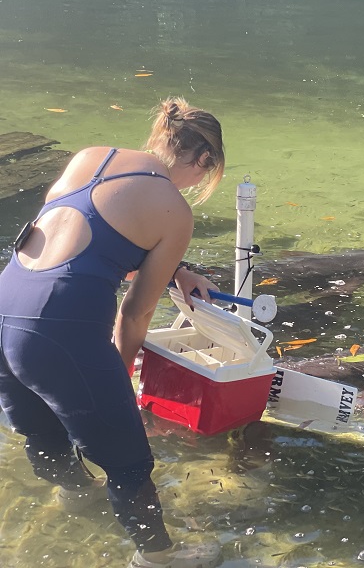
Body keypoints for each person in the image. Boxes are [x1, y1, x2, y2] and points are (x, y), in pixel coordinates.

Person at [0, 98, 226, 568]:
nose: (198, 185)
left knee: (41, 429)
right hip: (55, 327)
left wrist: (177, 268)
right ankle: (160, 558)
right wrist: (120, 382)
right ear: (203, 161)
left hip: (5, 306)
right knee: (128, 462)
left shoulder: (90, 157)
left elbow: (76, 237)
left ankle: (76, 495)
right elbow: (136, 312)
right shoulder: (175, 211)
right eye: (206, 176)